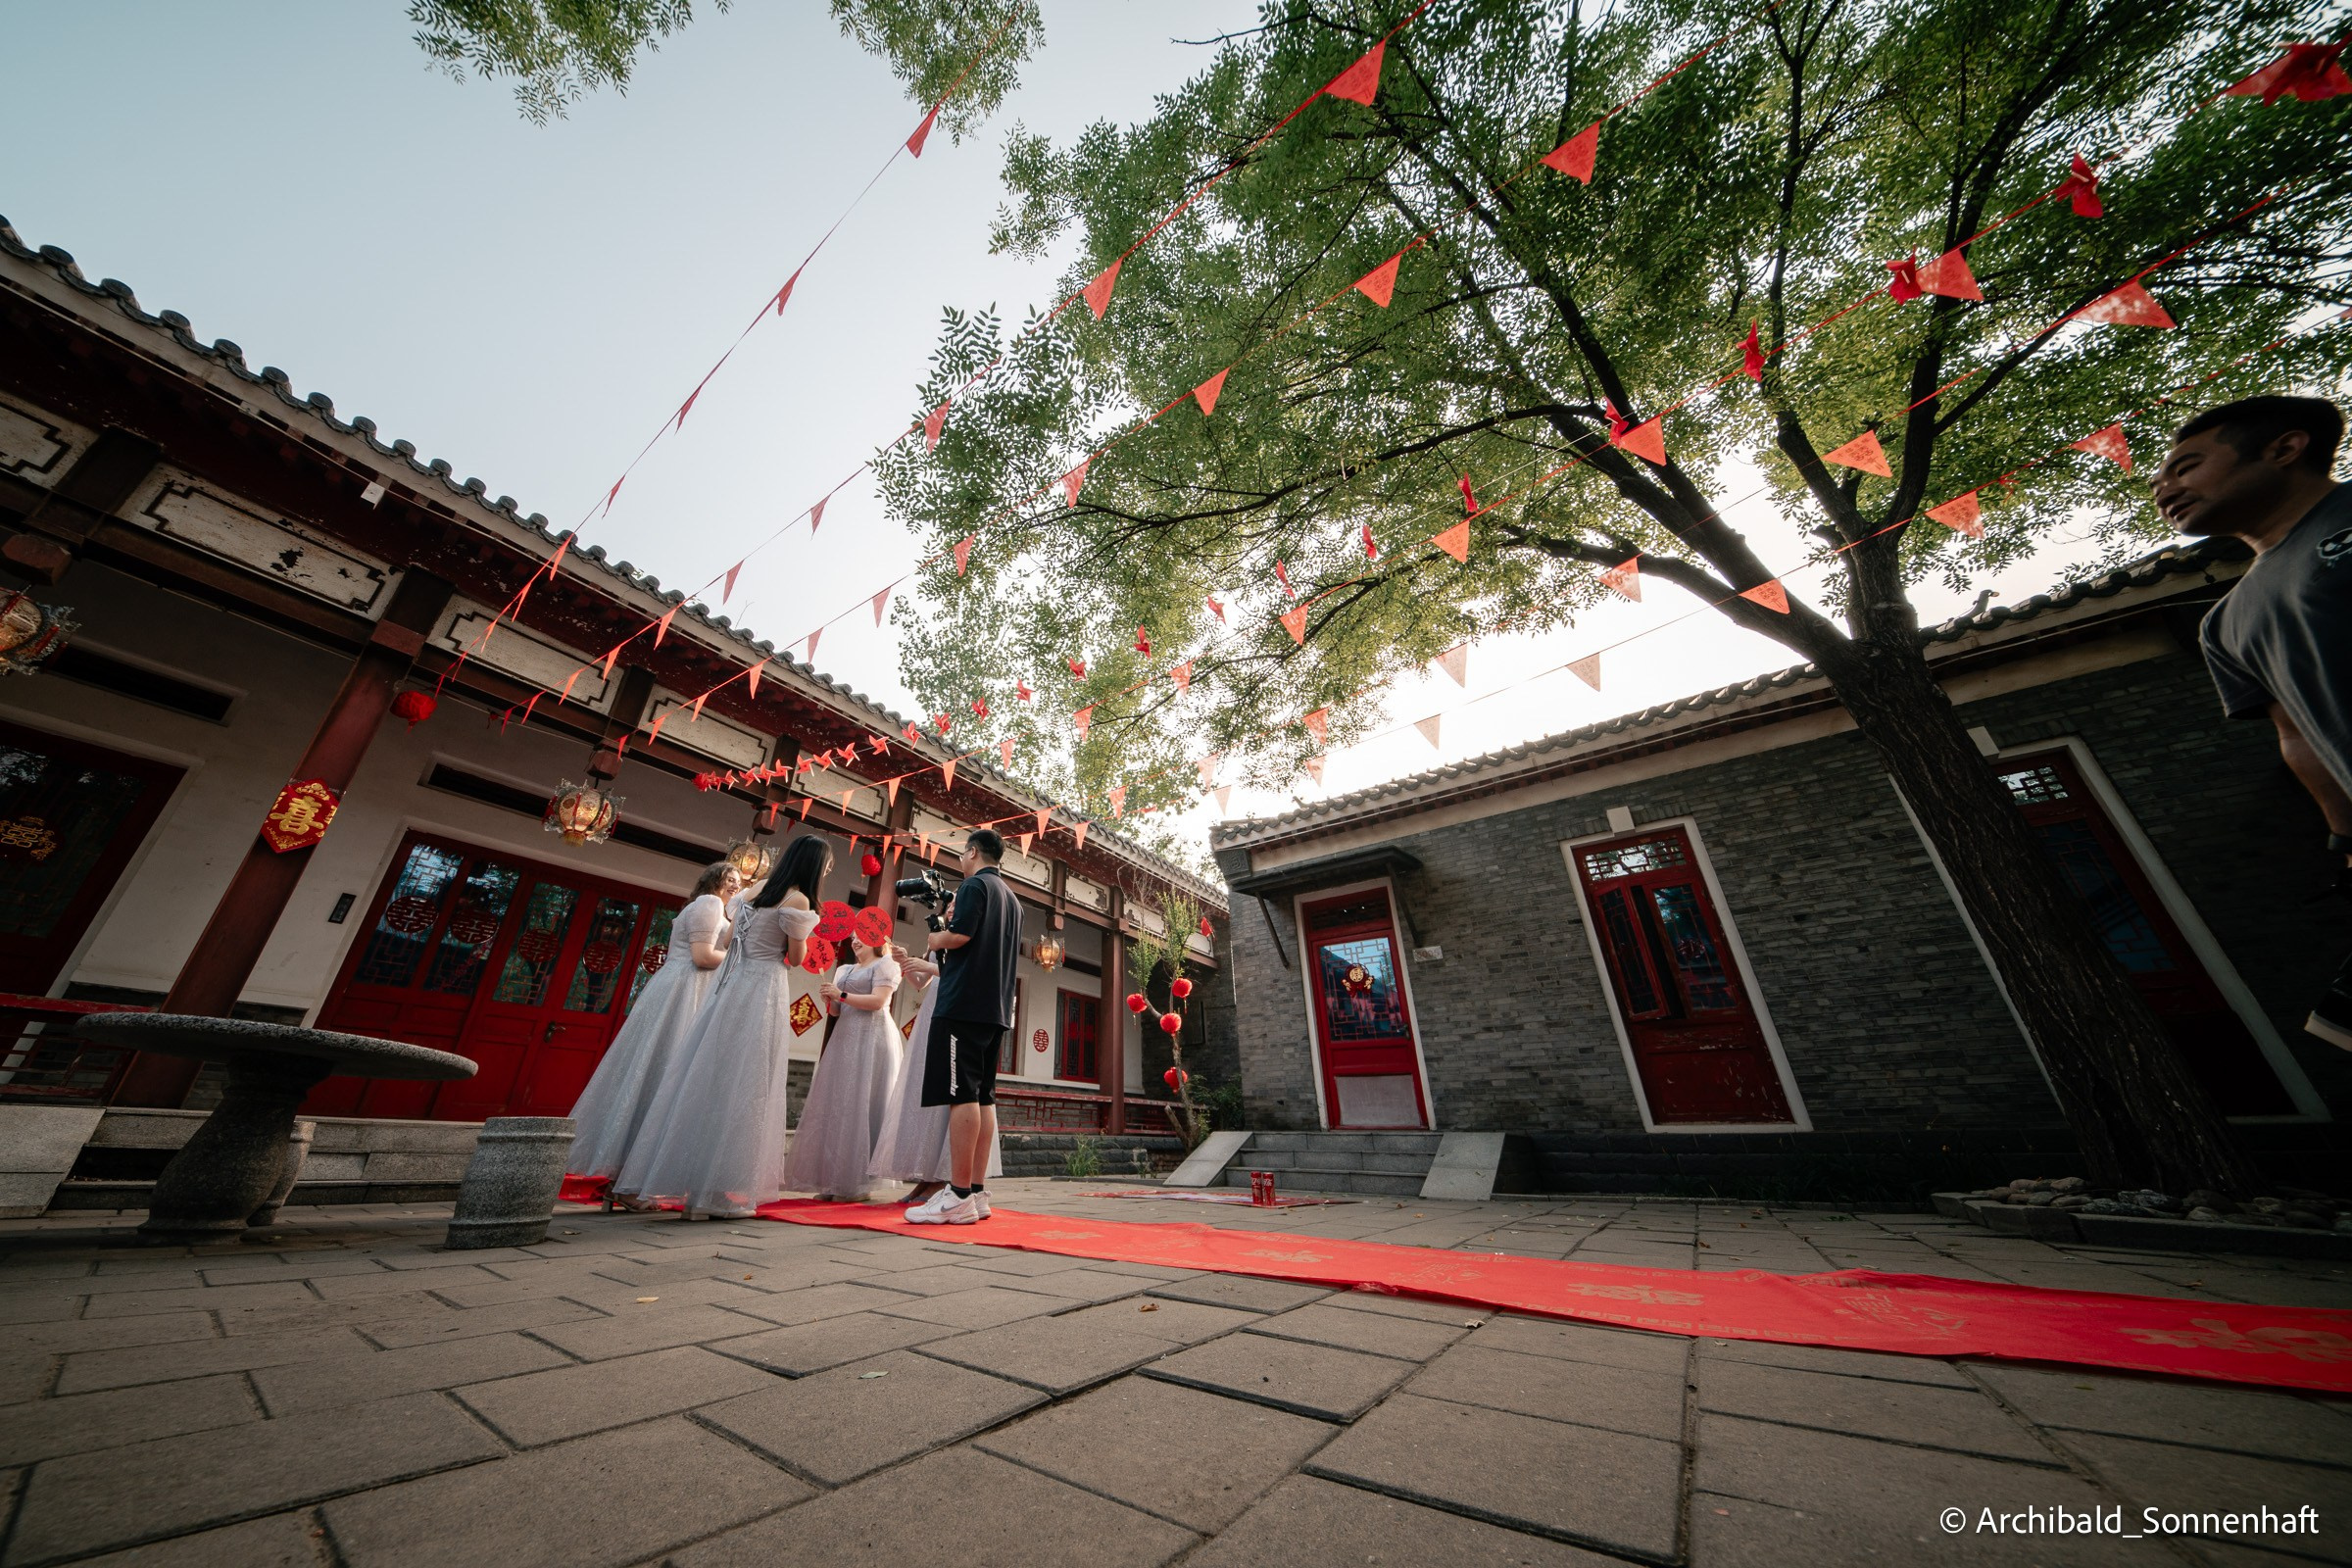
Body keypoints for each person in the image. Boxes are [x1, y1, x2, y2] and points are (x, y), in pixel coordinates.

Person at [2155, 393, 2352, 1048]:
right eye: (2161, 475)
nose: (2164, 487)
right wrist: (2343, 839)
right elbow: (2295, 735)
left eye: (2185, 466)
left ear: (2284, 448)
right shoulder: (2225, 625)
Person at [614, 835, 829, 1217]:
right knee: (746, 1085)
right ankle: (714, 1193)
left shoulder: (753, 892)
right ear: (813, 866)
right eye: (826, 864)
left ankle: (691, 1187)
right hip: (763, 990)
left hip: (730, 988)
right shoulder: (798, 901)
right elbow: (795, 959)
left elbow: (729, 940)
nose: (828, 870)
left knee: (706, 1078)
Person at [564, 860, 739, 1208]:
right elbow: (703, 956)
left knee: (659, 1081)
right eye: (730, 879)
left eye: (739, 881)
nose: (735, 885)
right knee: (665, 1078)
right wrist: (741, 955)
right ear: (714, 881)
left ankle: (625, 1182)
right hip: (686, 991)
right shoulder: (709, 904)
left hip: (684, 988)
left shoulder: (710, 908)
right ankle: (628, 1184)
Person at [906, 828, 1021, 1224]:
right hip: (996, 1008)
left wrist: (936, 937)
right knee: (983, 1096)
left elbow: (961, 935)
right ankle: (975, 1191)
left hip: (963, 1006)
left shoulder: (974, 886)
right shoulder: (1013, 899)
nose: (960, 860)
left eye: (962, 853)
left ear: (973, 852)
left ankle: (955, 1194)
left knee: (961, 1095)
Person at [868, 947, 1002, 1199]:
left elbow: (968, 971)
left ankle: (945, 1177)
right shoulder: (937, 937)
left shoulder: (967, 932)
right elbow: (920, 982)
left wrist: (926, 965)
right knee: (925, 1087)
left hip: (957, 1003)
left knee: (952, 1089)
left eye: (955, 904)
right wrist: (905, 962)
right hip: (932, 1009)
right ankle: (927, 1177)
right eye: (949, 905)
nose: (951, 908)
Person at [780, 930, 903, 1201]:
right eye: (854, 937)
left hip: (872, 1038)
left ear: (877, 940)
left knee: (862, 1104)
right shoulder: (843, 969)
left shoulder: (886, 965)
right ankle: (832, 1180)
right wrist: (831, 1000)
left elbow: (879, 1001)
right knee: (838, 1105)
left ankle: (858, 1183)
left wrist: (842, 995)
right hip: (845, 1037)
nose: (856, 941)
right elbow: (836, 1011)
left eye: (863, 936)